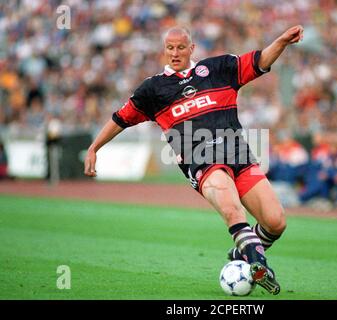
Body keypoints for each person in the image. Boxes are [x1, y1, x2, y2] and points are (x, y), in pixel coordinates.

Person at [84, 25, 304, 295]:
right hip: (201, 161)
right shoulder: (153, 89)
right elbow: (121, 118)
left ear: (192, 48)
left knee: (276, 221)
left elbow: (260, 61)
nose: (174, 53)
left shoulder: (219, 68)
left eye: (180, 47)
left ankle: (241, 251)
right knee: (233, 210)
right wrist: (95, 146)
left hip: (239, 155)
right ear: (164, 50)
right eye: (169, 48)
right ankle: (259, 265)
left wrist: (281, 40)